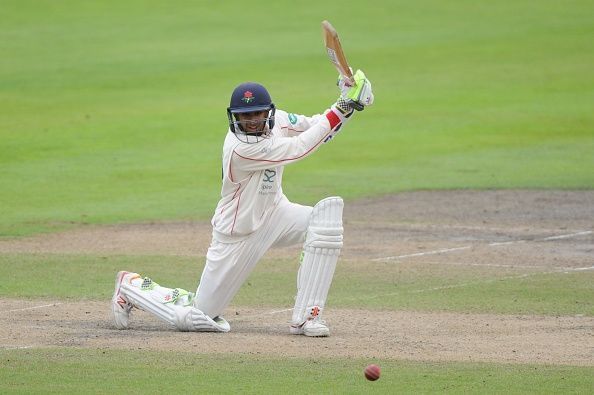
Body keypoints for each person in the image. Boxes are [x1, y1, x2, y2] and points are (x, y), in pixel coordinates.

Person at [111, 70, 374, 337]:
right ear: (235, 117)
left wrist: (348, 101)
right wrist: (343, 107)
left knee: (324, 221)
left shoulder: (280, 120)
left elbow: (318, 127)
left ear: (267, 112)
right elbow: (300, 148)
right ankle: (131, 286)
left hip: (275, 215)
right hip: (237, 234)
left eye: (257, 113)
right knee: (199, 317)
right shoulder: (239, 149)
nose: (252, 121)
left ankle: (307, 317)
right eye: (245, 116)